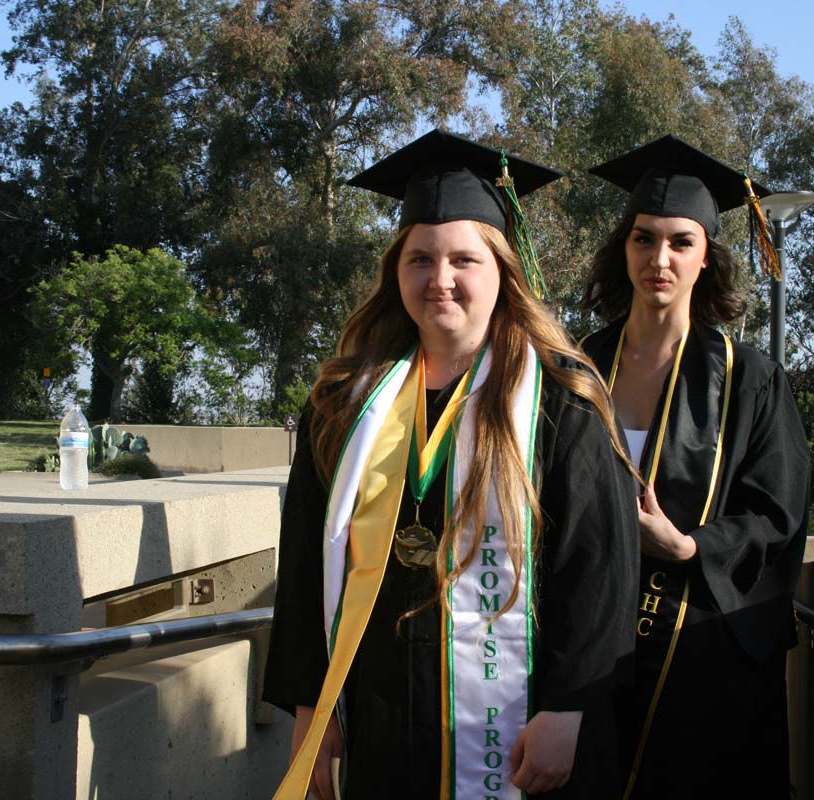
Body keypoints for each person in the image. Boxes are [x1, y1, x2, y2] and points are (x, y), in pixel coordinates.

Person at [263, 129, 639, 800]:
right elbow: (303, 571)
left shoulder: (562, 398)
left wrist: (568, 706)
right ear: (394, 272)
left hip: (525, 725)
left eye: (464, 259)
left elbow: (599, 567)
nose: (441, 279)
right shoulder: (345, 406)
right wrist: (313, 714)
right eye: (420, 259)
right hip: (386, 719)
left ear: (502, 270)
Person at [580, 135, 811, 799]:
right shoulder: (575, 370)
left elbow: (778, 515)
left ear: (707, 254)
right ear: (622, 249)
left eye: (681, 241)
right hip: (588, 642)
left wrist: (687, 546)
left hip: (703, 657)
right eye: (643, 239)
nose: (660, 258)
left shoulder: (752, 381)